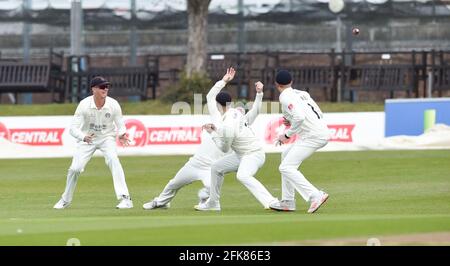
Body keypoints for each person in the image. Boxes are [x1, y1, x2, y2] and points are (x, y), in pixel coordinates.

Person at [195, 67, 278, 211]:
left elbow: (225, 148)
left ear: (217, 104)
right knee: (216, 168)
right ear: (230, 103)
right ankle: (213, 203)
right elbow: (255, 112)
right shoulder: (236, 113)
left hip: (252, 155)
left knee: (243, 176)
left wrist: (212, 133)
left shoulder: (226, 124)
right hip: (242, 155)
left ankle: (271, 201)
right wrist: (259, 94)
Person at [53, 76, 133, 209]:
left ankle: (125, 198)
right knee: (75, 168)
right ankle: (65, 200)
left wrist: (121, 134)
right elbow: (73, 129)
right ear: (94, 89)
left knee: (113, 160)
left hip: (107, 137)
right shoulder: (84, 105)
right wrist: (83, 137)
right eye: (102, 87)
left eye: (106, 86)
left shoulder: (113, 104)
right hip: (87, 138)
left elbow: (120, 124)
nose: (105, 89)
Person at [269, 70, 331, 213]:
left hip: (313, 136)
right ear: (291, 82)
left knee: (286, 167)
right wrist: (291, 120)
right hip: (320, 131)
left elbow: (300, 118)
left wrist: (287, 134)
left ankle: (316, 195)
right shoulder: (302, 93)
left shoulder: (284, 96)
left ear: (276, 84)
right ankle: (288, 202)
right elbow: (315, 112)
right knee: (285, 156)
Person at [142, 129, 227, 210]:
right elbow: (215, 114)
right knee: (174, 184)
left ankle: (205, 199)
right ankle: (161, 202)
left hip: (210, 168)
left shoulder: (232, 136)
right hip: (194, 164)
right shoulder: (214, 125)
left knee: (210, 187)